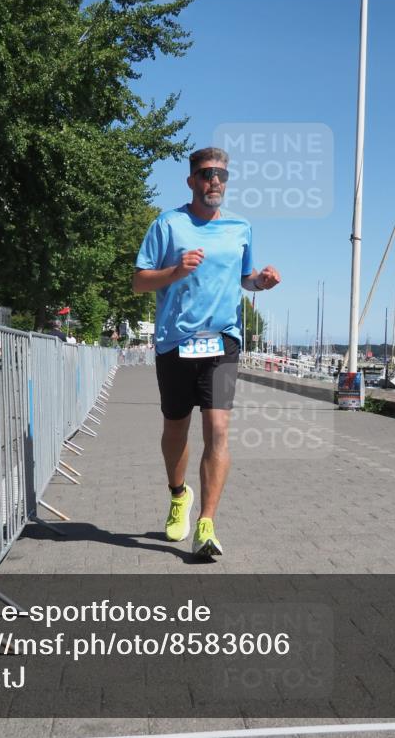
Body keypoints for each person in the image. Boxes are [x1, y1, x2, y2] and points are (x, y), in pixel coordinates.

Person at [132, 147, 280, 559]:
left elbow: (245, 279)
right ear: (191, 180)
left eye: (221, 175)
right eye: (206, 174)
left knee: (217, 430)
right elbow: (139, 282)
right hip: (176, 341)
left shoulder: (240, 228)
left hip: (223, 342)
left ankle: (207, 524)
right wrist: (176, 272)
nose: (214, 181)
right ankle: (179, 495)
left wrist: (261, 283)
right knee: (176, 429)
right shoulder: (168, 224)